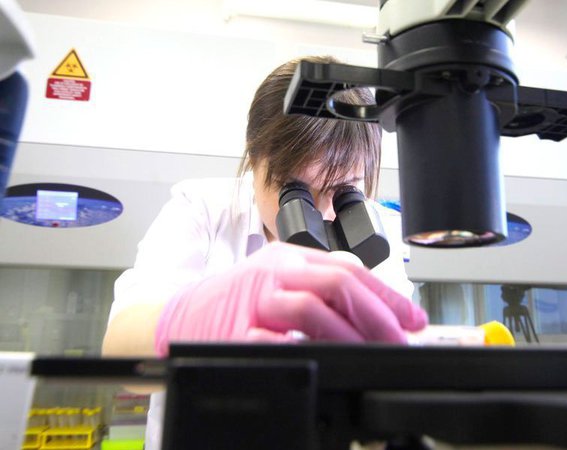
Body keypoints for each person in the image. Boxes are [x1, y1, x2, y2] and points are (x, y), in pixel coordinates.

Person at [101, 55, 428, 449]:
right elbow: (119, 354)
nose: (321, 212)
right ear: (254, 159)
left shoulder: (376, 229)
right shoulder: (202, 209)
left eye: (345, 190)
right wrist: (197, 317)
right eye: (295, 192)